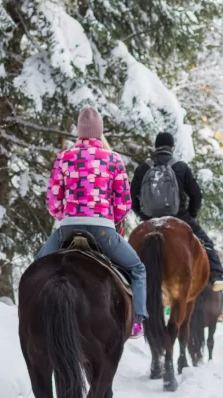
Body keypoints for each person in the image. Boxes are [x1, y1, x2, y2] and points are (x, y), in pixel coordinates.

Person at [36, 107, 148, 338]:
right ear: (99, 131)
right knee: (137, 268)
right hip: (103, 230)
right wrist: (111, 219)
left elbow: (53, 201)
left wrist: (66, 216)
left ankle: (33, 315)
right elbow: (124, 203)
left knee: (38, 266)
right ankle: (137, 322)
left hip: (68, 228)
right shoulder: (113, 159)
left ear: (79, 131)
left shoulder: (64, 157)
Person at [130, 132, 223, 292]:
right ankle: (217, 275)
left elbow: (131, 197)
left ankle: (126, 278)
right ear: (172, 147)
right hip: (179, 217)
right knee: (206, 243)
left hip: (149, 219)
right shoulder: (181, 167)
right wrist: (189, 217)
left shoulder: (143, 168)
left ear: (156, 147)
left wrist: (144, 216)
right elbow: (196, 195)